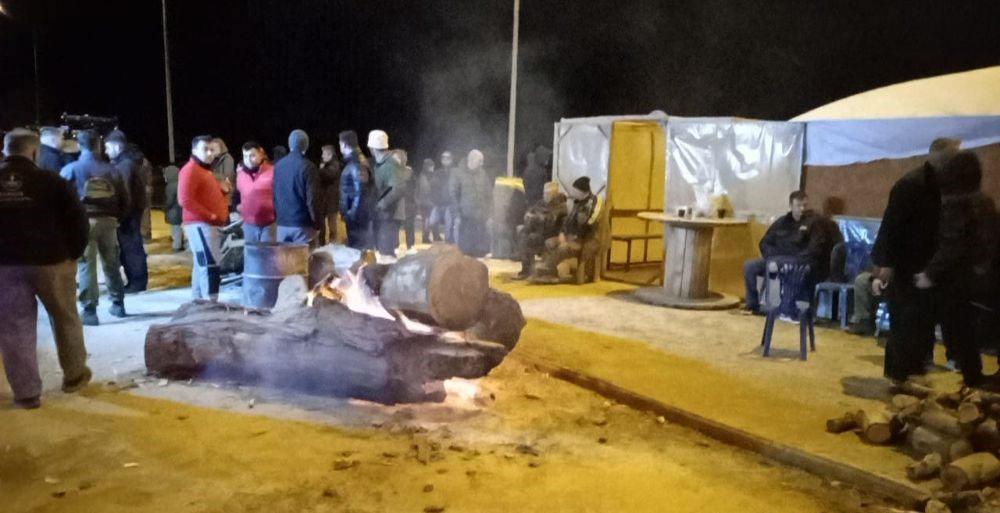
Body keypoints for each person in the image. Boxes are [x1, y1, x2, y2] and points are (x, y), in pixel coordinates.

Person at [0, 129, 92, 409]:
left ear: (5, 151)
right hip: (52, 262)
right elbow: (78, 222)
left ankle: (26, 393)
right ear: (35, 152)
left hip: (5, 266)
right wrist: (72, 254)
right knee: (65, 318)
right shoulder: (52, 181)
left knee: (14, 328)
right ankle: (75, 376)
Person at [873, 138, 961, 385]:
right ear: (941, 158)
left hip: (929, 264)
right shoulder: (910, 185)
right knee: (904, 322)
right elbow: (891, 226)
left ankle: (915, 372)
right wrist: (886, 266)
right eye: (955, 156)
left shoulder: (944, 184)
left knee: (922, 322)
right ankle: (898, 377)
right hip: (905, 264)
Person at [913, 151, 996, 387]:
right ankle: (974, 381)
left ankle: (965, 381)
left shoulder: (955, 204)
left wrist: (929, 274)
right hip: (984, 281)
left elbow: (951, 244)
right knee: (966, 335)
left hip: (957, 282)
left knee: (951, 328)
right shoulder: (984, 201)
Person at [60, 129, 129, 326]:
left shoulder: (71, 169)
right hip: (108, 221)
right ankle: (118, 304)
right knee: (111, 263)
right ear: (98, 145)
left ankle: (90, 311)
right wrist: (117, 218)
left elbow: (59, 200)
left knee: (86, 265)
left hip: (82, 222)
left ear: (79, 146)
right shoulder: (112, 170)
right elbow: (126, 199)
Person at [741, 191, 829, 316]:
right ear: (791, 206)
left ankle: (771, 305)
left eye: (805, 205)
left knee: (773, 264)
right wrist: (772, 256)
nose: (802, 209)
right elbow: (764, 243)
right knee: (750, 266)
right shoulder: (781, 222)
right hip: (776, 258)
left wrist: (793, 258)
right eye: (798, 205)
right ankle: (752, 305)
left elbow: (815, 249)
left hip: (800, 261)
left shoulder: (814, 224)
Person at [179, 135, 228, 300]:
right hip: (202, 225)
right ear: (194, 150)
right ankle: (210, 307)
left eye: (211, 149)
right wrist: (211, 215)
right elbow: (184, 199)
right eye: (205, 149)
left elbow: (204, 196)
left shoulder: (205, 170)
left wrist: (222, 191)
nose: (209, 153)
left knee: (203, 266)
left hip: (208, 225)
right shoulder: (190, 170)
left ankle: (198, 303)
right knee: (210, 266)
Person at [531, 177, 602, 282]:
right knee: (549, 242)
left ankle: (545, 267)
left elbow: (591, 222)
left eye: (575, 190)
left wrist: (575, 235)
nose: (573, 193)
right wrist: (562, 233)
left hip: (586, 239)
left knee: (563, 248)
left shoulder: (594, 202)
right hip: (571, 236)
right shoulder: (577, 202)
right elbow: (568, 221)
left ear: (582, 191)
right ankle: (551, 273)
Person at [105, 130, 148, 293]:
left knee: (131, 249)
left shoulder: (125, 165)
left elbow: (125, 193)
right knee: (132, 247)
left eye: (108, 147)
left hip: (128, 216)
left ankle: (137, 283)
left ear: (117, 146)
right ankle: (136, 281)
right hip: (131, 214)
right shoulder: (127, 163)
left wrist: (121, 215)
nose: (106, 151)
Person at [273, 129, 321, 244]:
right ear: (306, 145)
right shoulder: (308, 167)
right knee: (305, 261)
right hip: (303, 227)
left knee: (284, 261)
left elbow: (274, 196)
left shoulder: (278, 166)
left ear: (289, 144)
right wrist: (318, 223)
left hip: (282, 225)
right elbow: (312, 200)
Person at [516, 181, 568, 279]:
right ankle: (527, 269)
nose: (546, 195)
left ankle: (540, 271)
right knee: (523, 233)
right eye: (544, 193)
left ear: (555, 194)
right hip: (539, 231)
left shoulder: (561, 206)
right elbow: (531, 211)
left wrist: (537, 218)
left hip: (551, 233)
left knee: (530, 238)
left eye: (548, 193)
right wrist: (528, 216)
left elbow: (552, 222)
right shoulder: (541, 203)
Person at [368, 130, 407, 257]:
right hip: (384, 215)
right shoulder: (380, 164)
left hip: (390, 216)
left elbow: (399, 188)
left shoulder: (390, 164)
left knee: (386, 253)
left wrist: (381, 204)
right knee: (382, 251)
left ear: (373, 148)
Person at [449, 149, 494, 257]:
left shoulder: (483, 174)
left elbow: (489, 195)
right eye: (480, 161)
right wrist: (456, 214)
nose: (482, 164)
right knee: (465, 252)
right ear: (472, 160)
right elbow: (453, 195)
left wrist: (490, 213)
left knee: (480, 253)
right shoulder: (457, 173)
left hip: (481, 218)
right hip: (465, 218)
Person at [236, 141, 276, 243]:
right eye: (245, 156)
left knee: (268, 256)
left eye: (252, 155)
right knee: (252, 257)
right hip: (249, 226)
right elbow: (237, 195)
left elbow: (281, 196)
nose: (248, 160)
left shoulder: (272, 172)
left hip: (269, 225)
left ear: (260, 154)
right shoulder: (241, 175)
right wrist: (238, 207)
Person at [339, 130, 373, 250]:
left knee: (358, 251)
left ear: (343, 144)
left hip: (357, 220)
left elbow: (361, 192)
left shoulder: (357, 162)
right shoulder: (356, 161)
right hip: (357, 217)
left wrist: (351, 214)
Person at [393, 149, 418, 252]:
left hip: (408, 201)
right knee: (395, 225)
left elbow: (415, 186)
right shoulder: (391, 171)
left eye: (399, 158)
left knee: (409, 225)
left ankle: (410, 245)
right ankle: (395, 246)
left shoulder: (409, 171)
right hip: (396, 201)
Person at [318, 143, 342, 245]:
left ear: (330, 155)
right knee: (322, 224)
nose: (322, 156)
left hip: (331, 200)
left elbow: (330, 175)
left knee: (332, 225)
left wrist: (321, 169)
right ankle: (322, 243)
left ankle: (332, 245)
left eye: (324, 154)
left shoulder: (335, 165)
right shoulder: (328, 165)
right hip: (325, 200)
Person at [162, 162, 185, 252]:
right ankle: (180, 244)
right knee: (179, 229)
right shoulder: (181, 183)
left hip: (173, 212)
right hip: (181, 211)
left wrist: (165, 208)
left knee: (175, 230)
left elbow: (169, 200)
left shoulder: (170, 186)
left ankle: (177, 246)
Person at [211, 138, 236, 212]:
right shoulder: (213, 160)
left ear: (221, 147)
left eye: (215, 148)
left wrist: (210, 175)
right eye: (212, 148)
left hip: (227, 194)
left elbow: (227, 175)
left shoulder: (227, 158)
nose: (213, 150)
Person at [438, 151, 458, 243]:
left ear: (451, 160)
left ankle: (450, 239)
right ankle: (448, 239)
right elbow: (435, 187)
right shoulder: (439, 173)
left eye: (447, 158)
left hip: (451, 202)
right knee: (445, 222)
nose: (445, 160)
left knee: (450, 221)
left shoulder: (455, 172)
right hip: (441, 202)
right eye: (443, 158)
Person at [416, 158, 439, 243]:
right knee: (427, 220)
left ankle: (436, 235)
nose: (432, 167)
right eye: (431, 166)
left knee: (433, 219)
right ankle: (425, 237)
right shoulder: (424, 176)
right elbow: (425, 190)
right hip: (426, 202)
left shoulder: (426, 175)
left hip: (428, 201)